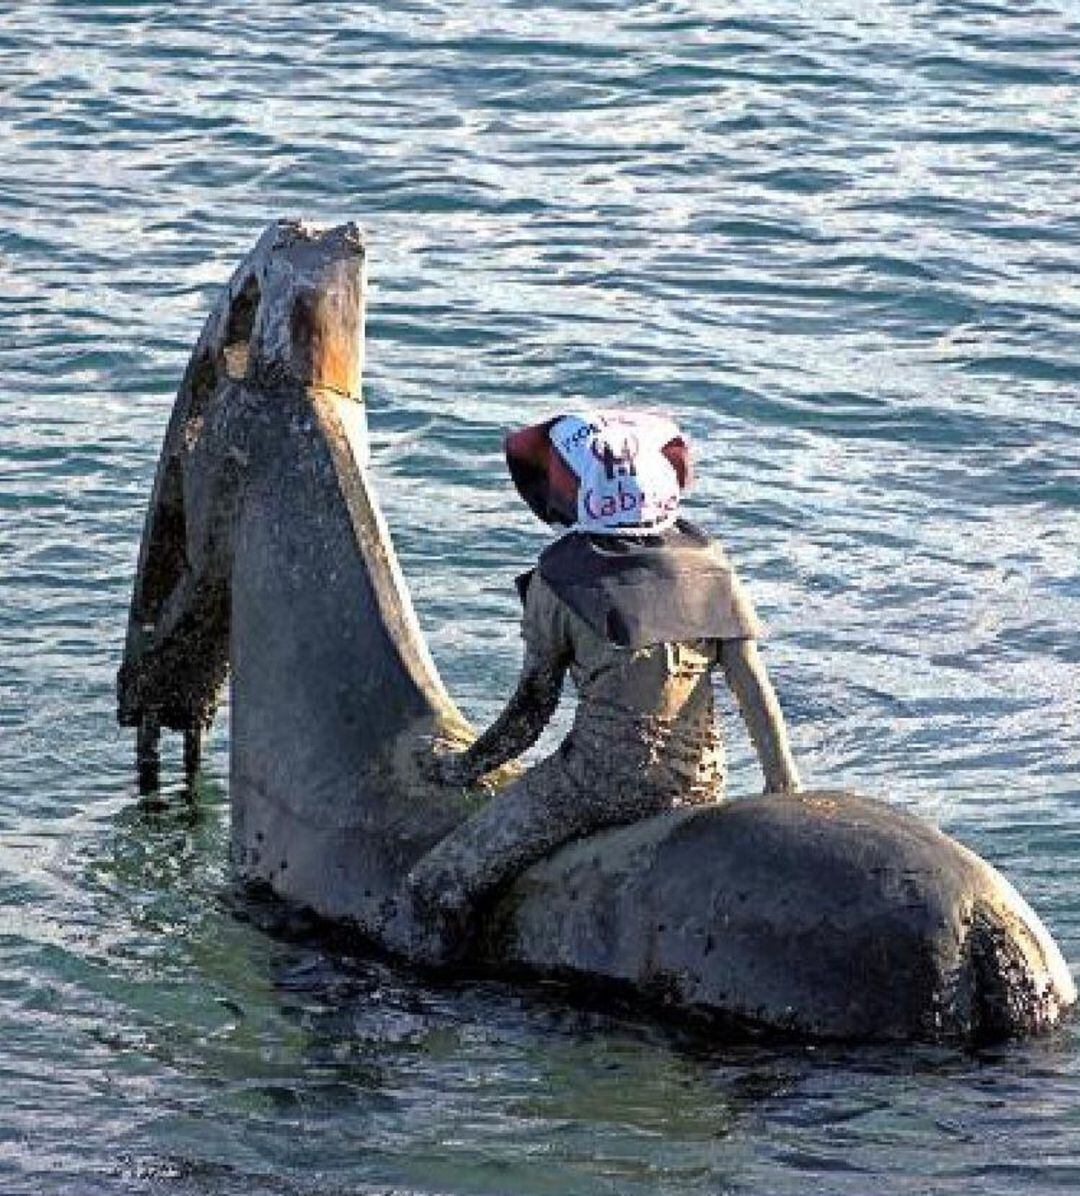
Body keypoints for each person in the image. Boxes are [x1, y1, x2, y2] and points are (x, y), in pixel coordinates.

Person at [405, 408, 801, 962]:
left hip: (600, 785)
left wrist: (460, 770)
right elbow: (754, 689)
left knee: (437, 885)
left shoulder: (560, 578)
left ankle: (427, 1009)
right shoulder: (711, 565)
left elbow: (530, 714)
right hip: (700, 783)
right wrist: (783, 787)